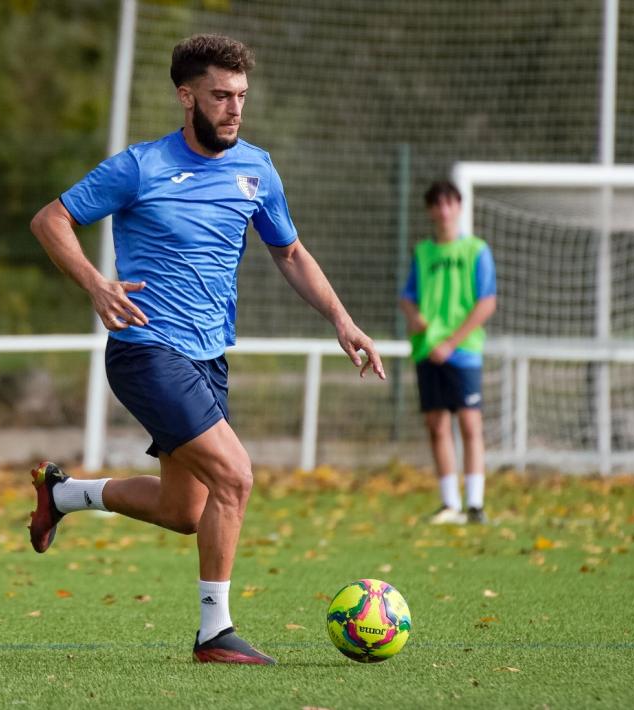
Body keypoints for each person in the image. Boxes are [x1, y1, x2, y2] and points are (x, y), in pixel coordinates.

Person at [27, 34, 384, 665]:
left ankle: (62, 495)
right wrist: (94, 283)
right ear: (186, 96)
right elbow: (51, 219)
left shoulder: (258, 170)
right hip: (144, 350)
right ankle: (213, 634)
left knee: (185, 510)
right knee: (235, 476)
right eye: (221, 95)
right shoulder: (140, 166)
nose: (233, 108)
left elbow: (290, 253)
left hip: (208, 358)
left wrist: (342, 319)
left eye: (241, 96)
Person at [399, 180, 497, 525]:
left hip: (463, 350)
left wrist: (451, 342)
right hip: (428, 350)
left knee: (470, 423)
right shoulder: (423, 253)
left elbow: (487, 302)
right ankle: (449, 504)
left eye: (449, 204)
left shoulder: (476, 250)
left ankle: (475, 504)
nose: (443, 211)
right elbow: (407, 296)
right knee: (436, 425)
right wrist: (415, 318)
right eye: (437, 205)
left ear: (458, 207)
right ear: (430, 211)